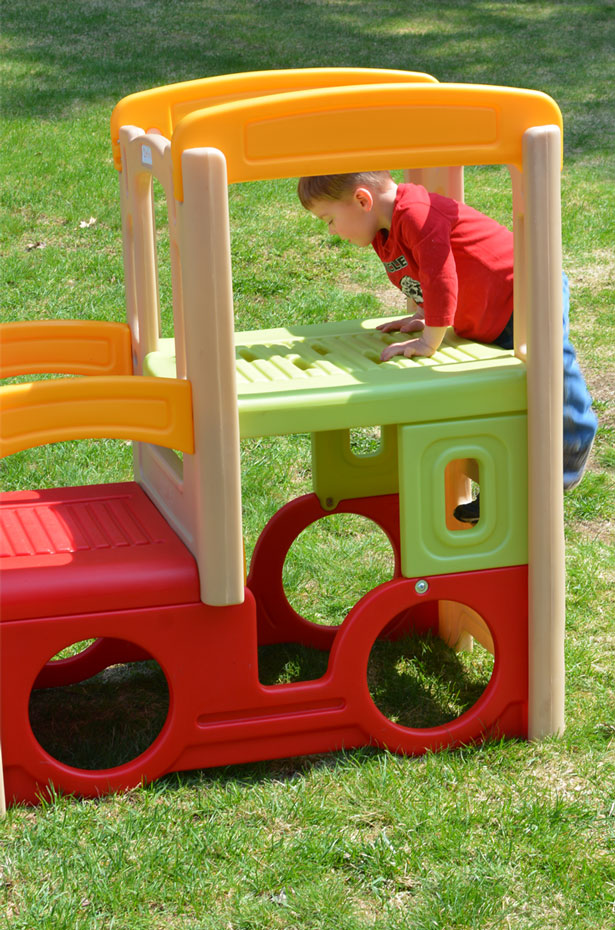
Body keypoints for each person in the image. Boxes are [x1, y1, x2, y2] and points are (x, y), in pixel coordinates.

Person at [297, 171, 597, 521]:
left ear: (363, 200)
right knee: (497, 399)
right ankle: (507, 486)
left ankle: (573, 441)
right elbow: (423, 274)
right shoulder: (383, 232)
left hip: (528, 290)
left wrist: (429, 340)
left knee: (550, 361)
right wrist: (425, 316)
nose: (332, 231)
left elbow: (441, 274)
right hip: (490, 317)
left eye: (329, 220)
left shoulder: (415, 213)